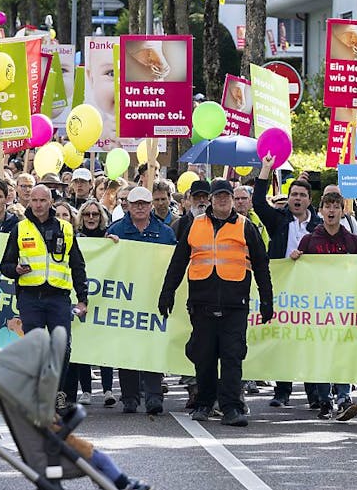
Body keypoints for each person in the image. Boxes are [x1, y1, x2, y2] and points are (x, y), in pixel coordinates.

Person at [159, 180, 273, 427]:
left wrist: (267, 299)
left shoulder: (246, 227)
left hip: (235, 303)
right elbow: (178, 262)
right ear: (210, 199)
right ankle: (204, 403)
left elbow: (262, 264)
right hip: (202, 302)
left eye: (226, 196)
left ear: (233, 199)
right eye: (218, 196)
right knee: (204, 356)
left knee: (232, 357)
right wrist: (167, 292)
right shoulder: (194, 224)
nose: (222, 200)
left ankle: (231, 407)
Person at [0, 185, 89, 409]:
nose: (38, 205)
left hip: (58, 297)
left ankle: (57, 390)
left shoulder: (66, 229)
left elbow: (78, 266)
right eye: (34, 200)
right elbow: (5, 266)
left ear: (51, 202)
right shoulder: (20, 229)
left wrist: (83, 298)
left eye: (43, 200)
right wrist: (16, 270)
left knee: (63, 346)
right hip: (30, 297)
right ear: (29, 201)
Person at [253, 155, 323, 408]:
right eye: (293, 194)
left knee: (308, 339)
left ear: (309, 200)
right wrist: (266, 169)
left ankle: (314, 392)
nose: (297, 199)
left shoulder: (319, 225)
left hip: (310, 292)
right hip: (283, 290)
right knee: (284, 338)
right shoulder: (279, 220)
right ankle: (282, 391)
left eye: (302, 195)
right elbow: (258, 203)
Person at [290, 191, 357, 421]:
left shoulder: (352, 241)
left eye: (336, 207)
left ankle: (343, 398)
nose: (331, 211)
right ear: (320, 211)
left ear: (343, 211)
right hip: (318, 308)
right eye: (327, 206)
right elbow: (297, 272)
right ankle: (324, 400)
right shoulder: (310, 240)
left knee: (342, 352)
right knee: (320, 352)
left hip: (344, 307)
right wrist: (294, 259)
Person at [104, 187, 177, 415]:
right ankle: (130, 397)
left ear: (150, 205)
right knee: (127, 347)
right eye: (135, 203)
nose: (140, 207)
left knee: (152, 347)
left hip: (152, 298)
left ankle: (154, 396)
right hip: (125, 298)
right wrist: (107, 245)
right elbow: (106, 262)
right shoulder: (116, 230)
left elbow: (174, 263)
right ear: (128, 205)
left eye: (144, 203)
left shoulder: (164, 232)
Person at [75, 199, 116, 407]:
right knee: (83, 343)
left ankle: (108, 389)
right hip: (82, 296)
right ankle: (87, 391)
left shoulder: (108, 238)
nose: (91, 218)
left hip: (104, 298)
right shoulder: (75, 238)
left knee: (103, 344)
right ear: (81, 218)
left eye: (95, 214)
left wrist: (115, 245)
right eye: (87, 214)